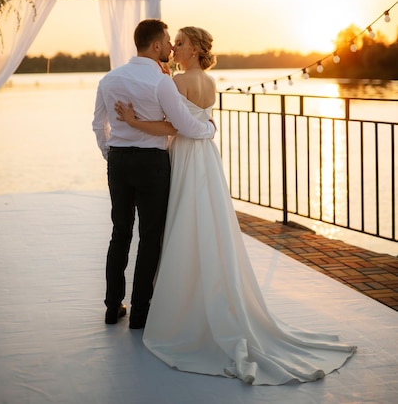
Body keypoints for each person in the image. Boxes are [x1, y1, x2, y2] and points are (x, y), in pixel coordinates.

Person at [115, 26, 357, 386]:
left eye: (180, 44)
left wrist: (133, 121)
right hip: (207, 159)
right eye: (173, 43)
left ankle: (181, 305)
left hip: (183, 156)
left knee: (181, 224)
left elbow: (172, 126)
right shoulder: (208, 83)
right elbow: (201, 123)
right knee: (208, 222)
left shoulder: (176, 84)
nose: (174, 49)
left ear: (195, 49)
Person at [92, 19, 216, 329]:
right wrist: (209, 129)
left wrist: (112, 153)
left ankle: (111, 306)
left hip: (119, 162)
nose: (172, 47)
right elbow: (183, 126)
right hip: (152, 163)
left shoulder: (109, 78)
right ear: (157, 45)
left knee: (120, 233)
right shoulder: (162, 82)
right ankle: (141, 312)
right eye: (167, 41)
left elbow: (98, 125)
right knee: (149, 237)